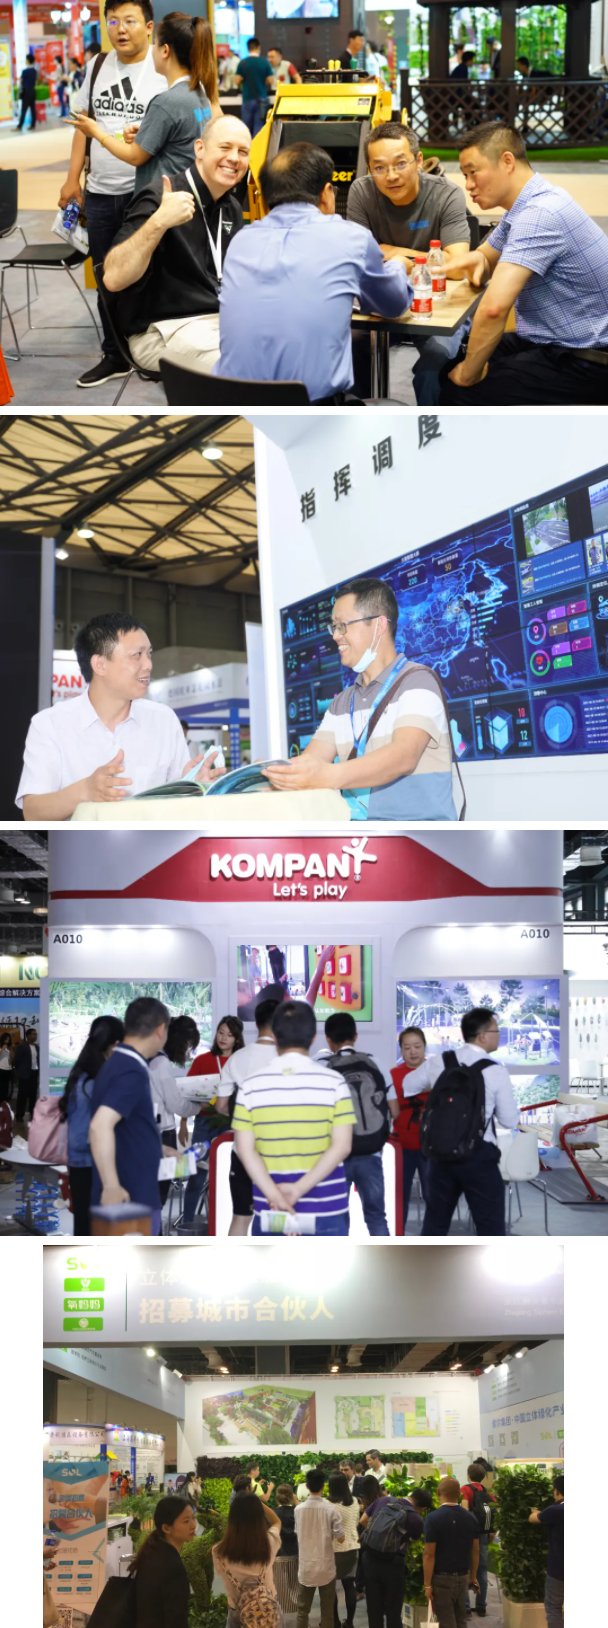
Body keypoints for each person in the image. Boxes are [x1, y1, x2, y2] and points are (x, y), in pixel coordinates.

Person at [215, 141, 412, 404]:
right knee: (394, 407)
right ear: (327, 193)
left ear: (265, 197)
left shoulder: (241, 241)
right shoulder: (350, 237)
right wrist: (397, 265)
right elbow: (393, 304)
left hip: (231, 407)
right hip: (310, 411)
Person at [440, 121, 608, 405]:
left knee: (461, 389)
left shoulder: (539, 214)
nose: (468, 185)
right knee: (452, 363)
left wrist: (468, 376)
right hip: (556, 339)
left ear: (507, 161)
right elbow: (484, 257)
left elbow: (494, 309)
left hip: (589, 359)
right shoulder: (528, 204)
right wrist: (471, 261)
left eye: (473, 172)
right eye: (465, 175)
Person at [264, 576, 459, 821]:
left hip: (418, 839)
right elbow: (309, 764)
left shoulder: (418, 682)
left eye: (343, 625)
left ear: (379, 625)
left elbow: (403, 756)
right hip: (361, 838)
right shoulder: (341, 704)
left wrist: (327, 775)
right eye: (334, 627)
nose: (335, 636)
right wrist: (265, 776)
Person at [16, 612, 224, 820]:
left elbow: (179, 805)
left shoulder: (164, 720)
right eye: (137, 655)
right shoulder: (50, 724)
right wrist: (85, 790)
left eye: (149, 654)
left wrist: (194, 787)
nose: (148, 665)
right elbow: (33, 812)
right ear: (100, 665)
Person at [60, 0, 167, 390]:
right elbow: (82, 126)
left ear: (149, 26)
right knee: (106, 276)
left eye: (130, 21)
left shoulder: (163, 68)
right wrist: (72, 179)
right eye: (113, 21)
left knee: (152, 273)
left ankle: (154, 352)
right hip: (101, 191)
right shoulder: (98, 65)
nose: (121, 29)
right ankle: (115, 355)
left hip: (147, 192)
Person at [102, 114, 251, 375]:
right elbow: (113, 278)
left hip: (219, 321)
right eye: (225, 147)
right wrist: (158, 222)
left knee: (290, 349)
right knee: (248, 367)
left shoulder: (231, 208)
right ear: (200, 149)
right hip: (162, 330)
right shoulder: (160, 197)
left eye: (243, 152)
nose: (234, 158)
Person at [347, 122, 470, 403]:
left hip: (438, 302)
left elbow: (458, 266)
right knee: (351, 343)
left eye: (400, 164)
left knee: (437, 356)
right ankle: (360, 418)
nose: (391, 176)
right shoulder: (361, 192)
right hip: (382, 300)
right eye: (379, 168)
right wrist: (431, 257)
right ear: (369, 168)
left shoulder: (446, 194)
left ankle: (430, 424)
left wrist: (396, 254)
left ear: (418, 161)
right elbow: (357, 259)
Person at [233, 998, 356, 1236]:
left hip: (273, 1211)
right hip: (326, 1210)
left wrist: (276, 1196)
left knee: (273, 1263)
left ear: (274, 1036)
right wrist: (298, 1190)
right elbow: (342, 1146)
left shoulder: (251, 1086)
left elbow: (244, 1149)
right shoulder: (334, 1083)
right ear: (313, 1037)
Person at [71, 13, 221, 197]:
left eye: (155, 44)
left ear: (165, 51)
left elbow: (135, 156)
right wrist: (146, 131)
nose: (152, 50)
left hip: (163, 199)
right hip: (185, 195)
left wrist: (95, 131)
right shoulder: (197, 93)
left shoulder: (167, 101)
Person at [405, 1006, 520, 1236]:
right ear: (483, 1035)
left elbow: (408, 1085)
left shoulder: (440, 1061)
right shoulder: (495, 1070)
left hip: (440, 1155)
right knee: (490, 1227)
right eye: (496, 1030)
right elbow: (509, 1121)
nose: (499, 1034)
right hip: (479, 1156)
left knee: (435, 1225)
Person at [89, 996, 177, 1233]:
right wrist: (111, 1186)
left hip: (130, 1189)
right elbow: (100, 1126)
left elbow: (123, 1128)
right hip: (130, 1195)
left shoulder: (118, 1062)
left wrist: (157, 1147)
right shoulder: (131, 1070)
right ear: (161, 1030)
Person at [323, 1011, 398, 1236]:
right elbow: (395, 1111)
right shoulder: (376, 1063)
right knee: (376, 1217)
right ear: (355, 1036)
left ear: (328, 1039)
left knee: (337, 1218)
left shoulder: (324, 1069)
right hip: (371, 1152)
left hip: (337, 1156)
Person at [217, 996, 281, 1236]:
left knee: (241, 1216)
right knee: (277, 1217)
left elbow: (221, 1106)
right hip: (280, 1151)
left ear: (256, 1023)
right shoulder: (288, 1058)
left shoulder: (237, 1058)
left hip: (244, 1149)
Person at [59, 1014, 125, 1236]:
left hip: (85, 1165)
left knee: (87, 1227)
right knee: (91, 1230)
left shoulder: (86, 1075)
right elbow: (82, 1136)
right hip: (90, 1166)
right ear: (115, 1045)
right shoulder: (92, 1082)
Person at [180, 1014, 243, 1227]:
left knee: (230, 1175)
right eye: (221, 1033)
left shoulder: (241, 1062)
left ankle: (226, 1223)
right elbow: (187, 1094)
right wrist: (183, 1124)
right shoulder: (202, 1060)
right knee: (195, 1175)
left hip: (232, 1125)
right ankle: (188, 1224)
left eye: (229, 1035)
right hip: (203, 1124)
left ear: (237, 1038)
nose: (223, 1038)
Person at [149, 1014, 200, 1208]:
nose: (187, 1052)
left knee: (151, 1193)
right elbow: (175, 1104)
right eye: (188, 1046)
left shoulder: (149, 1057)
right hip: (163, 1134)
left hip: (149, 1130)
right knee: (159, 1194)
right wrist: (199, 1107)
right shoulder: (162, 1063)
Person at [358, 1473, 423, 1628]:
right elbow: (413, 1540)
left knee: (374, 1607)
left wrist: (378, 1535)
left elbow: (363, 1520)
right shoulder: (416, 1519)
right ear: (422, 1507)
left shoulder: (382, 1500)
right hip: (394, 1564)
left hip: (371, 1559)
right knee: (393, 1608)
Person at [128, 1494, 196, 1628]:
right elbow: (176, 1620)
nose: (193, 1525)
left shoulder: (153, 1552)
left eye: (193, 1518)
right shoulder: (172, 1567)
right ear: (166, 1528)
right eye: (186, 1521)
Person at [212, 1490, 282, 1619]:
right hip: (268, 1611)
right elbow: (276, 1522)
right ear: (259, 1517)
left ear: (231, 1518)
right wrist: (258, 1503)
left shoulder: (218, 1551)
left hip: (237, 1613)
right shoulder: (269, 1543)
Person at [423, 1477, 479, 1628]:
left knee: (446, 1621)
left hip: (442, 1579)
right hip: (463, 1576)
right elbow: (475, 1550)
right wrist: (473, 1577)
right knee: (461, 1620)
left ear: (438, 1492)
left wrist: (427, 1585)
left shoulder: (432, 1518)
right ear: (459, 1494)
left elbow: (429, 1554)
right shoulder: (471, 1518)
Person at [391, 1026, 431, 1232]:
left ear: (425, 1047)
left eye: (417, 1046)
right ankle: (398, 1237)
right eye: (407, 1048)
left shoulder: (437, 1071)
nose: (413, 1051)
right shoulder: (392, 1075)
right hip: (402, 1147)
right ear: (401, 1050)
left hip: (432, 1147)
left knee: (433, 1198)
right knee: (400, 1198)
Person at [295, 1466, 344, 1628]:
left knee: (302, 1611)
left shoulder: (298, 1509)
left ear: (306, 1486)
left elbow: (298, 1533)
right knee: (327, 1612)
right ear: (324, 1486)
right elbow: (341, 1538)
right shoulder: (331, 1509)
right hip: (326, 1567)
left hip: (306, 1567)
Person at [460, 1464, 497, 1618]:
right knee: (482, 1570)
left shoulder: (465, 1490)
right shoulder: (487, 1492)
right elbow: (495, 1513)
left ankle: (466, 1607)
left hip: (469, 1534)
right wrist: (492, 1532)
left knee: (465, 1569)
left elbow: (464, 1511)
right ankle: (481, 1606)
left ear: (468, 1475)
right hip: (483, 1535)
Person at [529, 1474, 563, 1628]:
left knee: (553, 1607)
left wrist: (535, 1512)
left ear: (556, 1491)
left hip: (559, 1569)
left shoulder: (555, 1511)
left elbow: (533, 1518)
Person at [327, 1473, 359, 1628]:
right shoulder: (355, 1502)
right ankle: (350, 1622)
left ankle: (335, 1622)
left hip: (333, 1549)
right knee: (349, 1585)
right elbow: (356, 1522)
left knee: (330, 1587)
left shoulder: (328, 1504)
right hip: (352, 1547)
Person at [234, 37, 273, 137]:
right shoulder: (265, 62)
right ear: (259, 47)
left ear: (248, 48)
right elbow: (271, 80)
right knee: (258, 127)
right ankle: (257, 146)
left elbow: (236, 81)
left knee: (245, 127)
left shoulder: (242, 63)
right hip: (262, 99)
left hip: (247, 98)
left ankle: (245, 146)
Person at [14, 1027, 39, 1125]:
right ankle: (19, 1115)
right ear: (28, 1035)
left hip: (34, 1073)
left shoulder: (37, 1047)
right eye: (33, 1034)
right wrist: (20, 1071)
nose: (35, 1036)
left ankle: (33, 1114)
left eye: (36, 1034)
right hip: (24, 1075)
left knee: (33, 1096)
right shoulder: (22, 1046)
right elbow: (17, 1061)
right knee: (22, 1096)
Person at [276, 1484, 298, 1554]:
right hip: (296, 1553)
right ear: (292, 1496)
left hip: (277, 1553)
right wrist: (296, 1501)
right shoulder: (297, 1511)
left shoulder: (272, 1513)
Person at [18, 53, 38, 131]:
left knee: (24, 109)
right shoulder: (34, 71)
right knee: (33, 109)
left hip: (26, 91)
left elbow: (21, 80)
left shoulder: (25, 71)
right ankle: (33, 125)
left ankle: (19, 126)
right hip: (33, 91)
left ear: (28, 60)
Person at [0, 1032, 13, 1103]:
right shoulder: (1, 1047)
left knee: (6, 1086)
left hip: (8, 1068)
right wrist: (2, 1049)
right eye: (6, 1039)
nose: (7, 1041)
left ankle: (4, 1100)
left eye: (8, 1040)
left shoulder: (9, 1048)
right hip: (1, 1069)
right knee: (1, 1086)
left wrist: (11, 1050)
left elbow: (12, 1058)